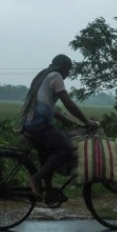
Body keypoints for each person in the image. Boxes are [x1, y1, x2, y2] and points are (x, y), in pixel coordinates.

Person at [17, 54, 99, 199]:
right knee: (66, 149)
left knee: (48, 155)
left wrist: (64, 119)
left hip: (30, 124)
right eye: (68, 71)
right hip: (39, 125)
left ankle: (48, 192)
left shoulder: (43, 77)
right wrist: (87, 121)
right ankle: (36, 179)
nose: (68, 74)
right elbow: (67, 102)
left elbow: (46, 105)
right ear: (63, 68)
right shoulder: (56, 76)